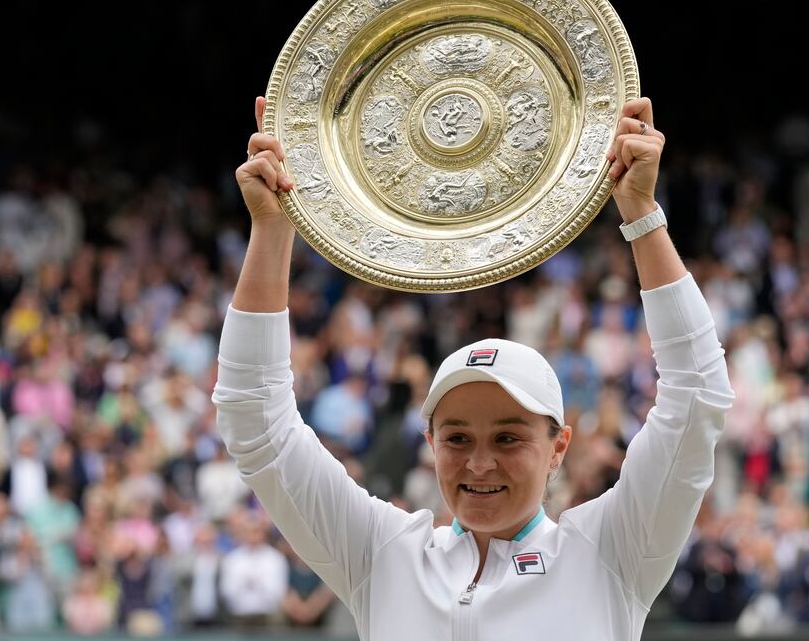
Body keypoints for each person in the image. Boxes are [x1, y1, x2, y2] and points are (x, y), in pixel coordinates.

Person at [214, 96, 733, 638]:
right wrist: (273, 228)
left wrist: (642, 214)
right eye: (457, 438)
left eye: (508, 438)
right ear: (430, 442)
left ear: (558, 447)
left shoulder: (611, 550)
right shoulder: (382, 554)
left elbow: (696, 396)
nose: (479, 464)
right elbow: (257, 421)